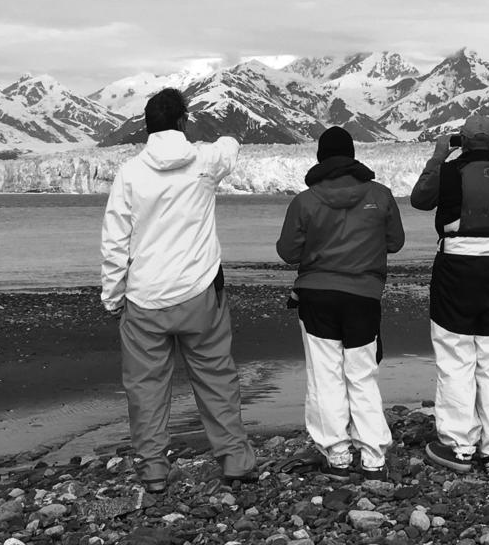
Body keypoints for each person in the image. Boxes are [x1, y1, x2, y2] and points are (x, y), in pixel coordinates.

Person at [100, 88, 257, 491]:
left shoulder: (130, 173)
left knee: (146, 386)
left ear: (146, 127)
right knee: (215, 376)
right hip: (199, 290)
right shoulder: (204, 161)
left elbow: (115, 240)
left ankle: (153, 469)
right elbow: (231, 145)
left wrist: (113, 297)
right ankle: (235, 459)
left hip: (145, 298)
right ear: (183, 122)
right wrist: (202, 136)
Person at [276, 126, 404, 481]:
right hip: (363, 297)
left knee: (325, 376)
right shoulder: (380, 195)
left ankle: (338, 455)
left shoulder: (305, 200)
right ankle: (374, 456)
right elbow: (395, 242)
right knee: (362, 374)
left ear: (320, 157)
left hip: (317, 296)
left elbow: (287, 252)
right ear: (352, 155)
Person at [410, 115, 489, 473]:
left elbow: (420, 199)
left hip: (455, 271)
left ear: (462, 139)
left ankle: (459, 446)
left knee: (455, 358)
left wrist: (438, 157)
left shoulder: (447, 173)